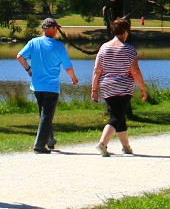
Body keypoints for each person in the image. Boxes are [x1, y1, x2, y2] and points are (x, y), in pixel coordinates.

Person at [17, 18, 79, 153]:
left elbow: (20, 57)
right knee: (47, 115)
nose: (57, 31)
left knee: (44, 114)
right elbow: (67, 66)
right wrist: (73, 78)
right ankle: (39, 145)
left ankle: (50, 140)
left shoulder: (33, 43)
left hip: (37, 86)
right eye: (56, 28)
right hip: (51, 86)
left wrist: (28, 69)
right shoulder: (58, 46)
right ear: (52, 29)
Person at [90, 16, 149, 155]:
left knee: (119, 115)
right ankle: (103, 143)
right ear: (126, 32)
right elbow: (134, 71)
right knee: (116, 116)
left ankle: (126, 147)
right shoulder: (128, 49)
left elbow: (97, 70)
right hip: (123, 88)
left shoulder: (104, 48)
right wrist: (142, 88)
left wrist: (94, 89)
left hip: (106, 87)